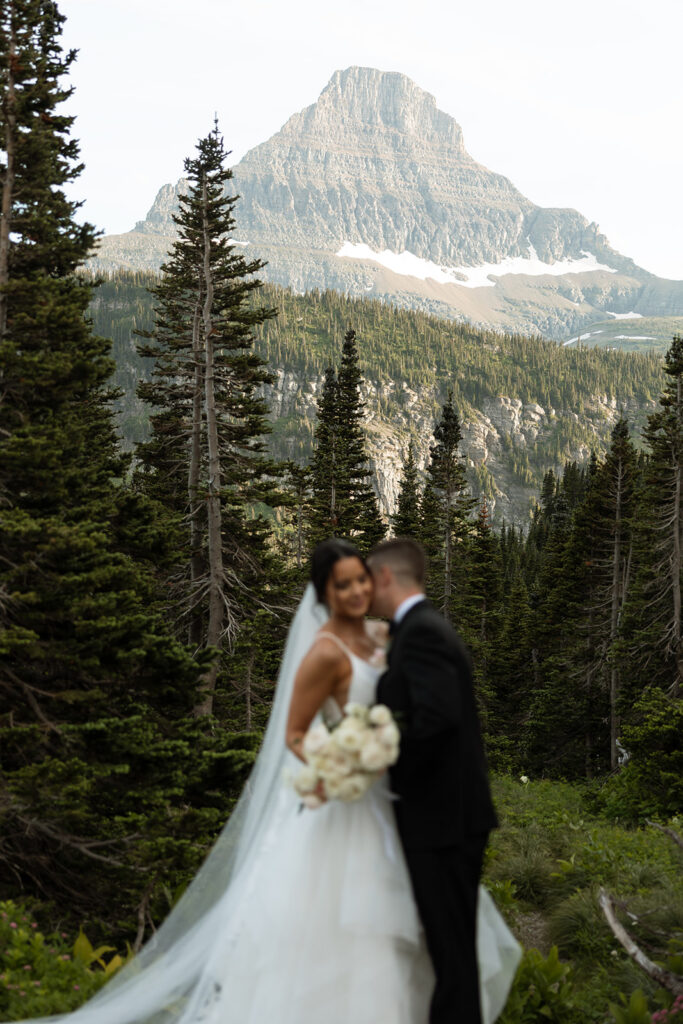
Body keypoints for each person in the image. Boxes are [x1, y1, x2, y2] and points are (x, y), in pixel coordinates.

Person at [17, 538, 518, 1024]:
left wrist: (381, 760)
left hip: (397, 805)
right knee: (346, 928)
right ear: (323, 593)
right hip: (352, 802)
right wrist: (338, 763)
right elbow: (295, 734)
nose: (355, 593)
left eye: (360, 581)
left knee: (416, 931)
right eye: (342, 586)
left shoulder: (389, 637)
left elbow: (418, 710)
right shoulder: (322, 653)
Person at [368, 537, 501, 1024]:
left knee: (451, 957)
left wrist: (380, 764)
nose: (365, 591)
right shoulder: (419, 629)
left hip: (443, 819)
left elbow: (436, 720)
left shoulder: (421, 632)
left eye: (368, 578)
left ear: (387, 577)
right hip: (445, 815)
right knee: (449, 952)